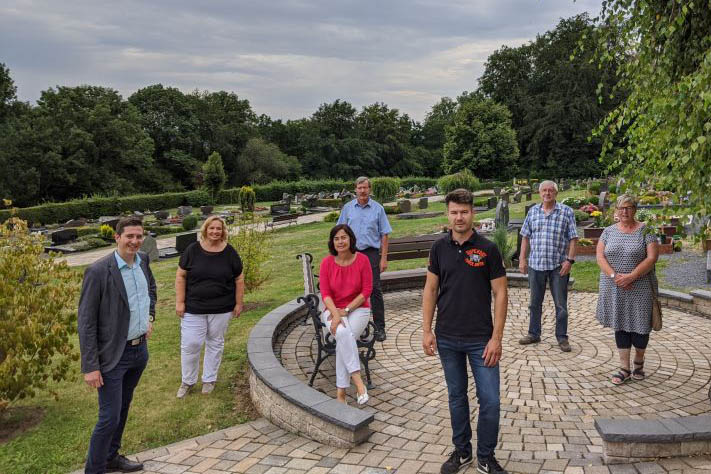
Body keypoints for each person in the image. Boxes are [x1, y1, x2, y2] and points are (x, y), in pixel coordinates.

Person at [422, 189, 509, 474]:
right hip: (446, 337)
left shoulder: (488, 249)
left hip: (481, 340)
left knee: (491, 400)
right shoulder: (439, 248)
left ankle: (485, 456)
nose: (459, 217)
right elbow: (431, 289)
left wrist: (496, 338)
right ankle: (462, 452)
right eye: (454, 212)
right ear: (448, 214)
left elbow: (500, 294)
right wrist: (426, 330)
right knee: (457, 396)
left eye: (464, 212)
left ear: (473, 213)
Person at [78, 217, 156, 474]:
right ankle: (95, 469)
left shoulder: (143, 260)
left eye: (139, 236)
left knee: (122, 408)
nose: (134, 241)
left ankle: (111, 457)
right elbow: (86, 323)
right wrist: (91, 366)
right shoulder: (99, 271)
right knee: (108, 417)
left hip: (139, 351)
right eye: (129, 236)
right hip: (113, 355)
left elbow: (150, 290)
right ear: (117, 238)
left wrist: (150, 316)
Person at [175, 215, 244, 398]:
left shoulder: (229, 252)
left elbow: (239, 278)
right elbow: (181, 276)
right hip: (194, 307)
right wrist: (180, 302)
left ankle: (209, 379)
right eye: (211, 228)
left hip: (221, 307)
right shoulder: (192, 250)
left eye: (218, 229)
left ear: (223, 231)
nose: (215, 231)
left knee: (215, 343)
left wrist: (238, 303)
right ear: (205, 230)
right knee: (191, 344)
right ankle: (187, 381)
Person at [595, 194, 658, 385]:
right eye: (621, 208)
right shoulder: (608, 231)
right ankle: (624, 368)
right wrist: (615, 276)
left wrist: (632, 276)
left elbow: (652, 257)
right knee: (620, 324)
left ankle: (639, 361)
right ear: (616, 210)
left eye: (628, 207)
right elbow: (600, 257)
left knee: (640, 327)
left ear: (635, 210)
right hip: (614, 286)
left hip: (640, 286)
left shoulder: (647, 231)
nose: (624, 211)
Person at [518, 180, 578, 352]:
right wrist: (522, 259)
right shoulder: (533, 212)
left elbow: (573, 238)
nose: (547, 193)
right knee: (534, 303)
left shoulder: (566, 212)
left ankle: (562, 337)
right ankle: (534, 333)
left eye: (550, 191)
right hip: (536, 265)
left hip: (558, 266)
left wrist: (570, 260)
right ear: (540, 193)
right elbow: (525, 237)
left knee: (561, 304)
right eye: (544, 190)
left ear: (556, 193)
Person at [319, 224, 372, 405]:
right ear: (332, 242)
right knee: (343, 334)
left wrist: (347, 310)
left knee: (343, 339)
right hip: (332, 309)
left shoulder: (363, 260)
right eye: (336, 238)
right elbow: (325, 294)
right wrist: (336, 315)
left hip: (359, 309)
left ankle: (341, 394)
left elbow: (366, 291)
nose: (340, 241)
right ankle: (359, 383)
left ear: (350, 239)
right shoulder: (326, 263)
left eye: (343, 237)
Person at [337, 176, 392, 341]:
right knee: (351, 290)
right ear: (355, 189)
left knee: (374, 290)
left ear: (370, 189)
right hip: (351, 254)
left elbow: (385, 234)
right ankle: (355, 327)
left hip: (371, 254)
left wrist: (383, 258)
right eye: (359, 188)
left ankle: (380, 328)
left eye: (365, 188)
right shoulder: (347, 208)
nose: (362, 191)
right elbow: (340, 231)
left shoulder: (378, 209)